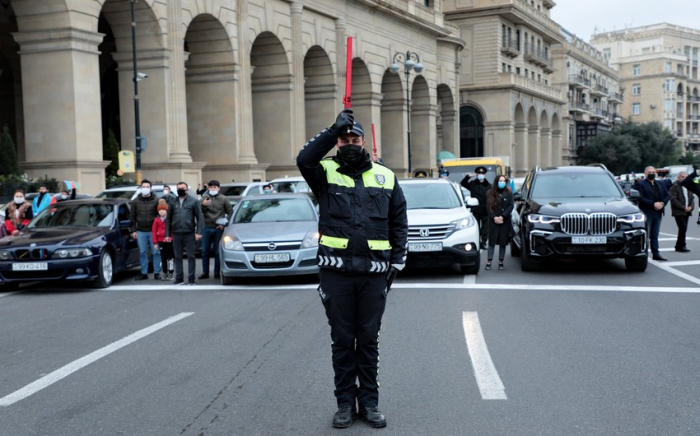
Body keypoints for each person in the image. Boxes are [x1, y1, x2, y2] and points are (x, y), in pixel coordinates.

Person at [297, 108, 408, 429]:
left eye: (353, 138)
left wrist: (398, 261)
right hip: (336, 273)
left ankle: (370, 404)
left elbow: (398, 221)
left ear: (364, 141)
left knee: (368, 340)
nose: (349, 143)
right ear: (337, 143)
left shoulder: (385, 176)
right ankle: (345, 403)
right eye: (344, 139)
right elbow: (304, 159)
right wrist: (332, 129)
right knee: (343, 341)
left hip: (374, 274)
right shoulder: (324, 172)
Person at [166, 182, 204, 285]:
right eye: (178, 188)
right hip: (176, 233)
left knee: (191, 256)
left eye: (182, 188)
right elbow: (168, 219)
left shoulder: (194, 201)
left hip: (189, 232)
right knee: (177, 256)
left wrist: (199, 232)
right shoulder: (173, 202)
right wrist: (167, 234)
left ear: (187, 189)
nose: (180, 190)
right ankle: (179, 278)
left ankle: (191, 279)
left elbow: (200, 217)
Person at [633, 166, 670, 261]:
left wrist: (662, 203)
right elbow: (640, 198)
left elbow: (667, 195)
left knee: (655, 234)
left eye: (653, 172)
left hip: (658, 212)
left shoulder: (660, 184)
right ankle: (643, 254)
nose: (652, 173)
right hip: (647, 212)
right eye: (650, 172)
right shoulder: (640, 184)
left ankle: (656, 254)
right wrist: (653, 204)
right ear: (645, 173)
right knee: (647, 234)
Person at [199, 179, 232, 280]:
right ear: (208, 188)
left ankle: (217, 272)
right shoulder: (204, 198)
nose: (213, 189)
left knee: (218, 252)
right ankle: (205, 272)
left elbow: (230, 212)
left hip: (219, 227)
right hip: (206, 226)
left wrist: (225, 224)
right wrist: (203, 205)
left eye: (215, 187)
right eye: (211, 187)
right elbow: (198, 212)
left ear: (218, 188)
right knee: (205, 251)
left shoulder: (224, 199)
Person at [130, 179, 161, 280]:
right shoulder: (135, 202)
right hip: (141, 230)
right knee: (142, 252)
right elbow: (132, 217)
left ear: (151, 189)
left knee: (155, 252)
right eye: (143, 187)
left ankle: (157, 272)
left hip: (153, 231)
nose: (145, 189)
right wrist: (133, 230)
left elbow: (160, 216)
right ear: (141, 188)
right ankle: (144, 273)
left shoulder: (157, 200)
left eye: (147, 187)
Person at [485, 175, 513, 270]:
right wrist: (494, 217)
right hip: (493, 221)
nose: (502, 182)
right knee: (492, 242)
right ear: (496, 182)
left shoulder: (508, 192)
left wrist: (503, 216)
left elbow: (511, 206)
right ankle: (489, 262)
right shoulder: (490, 193)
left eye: (503, 181)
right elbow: (489, 207)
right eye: (500, 180)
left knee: (503, 242)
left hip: (504, 221)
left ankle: (501, 262)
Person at [461, 166, 491, 248]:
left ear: (484, 175)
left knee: (485, 228)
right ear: (477, 174)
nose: (480, 175)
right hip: (475, 209)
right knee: (476, 226)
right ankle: (477, 241)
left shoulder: (489, 186)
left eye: (482, 173)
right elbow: (463, 183)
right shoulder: (473, 184)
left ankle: (484, 242)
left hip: (485, 209)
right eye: (479, 173)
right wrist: (468, 176)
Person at [669, 171, 694, 253]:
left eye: (686, 177)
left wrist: (691, 207)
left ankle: (679, 245)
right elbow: (673, 200)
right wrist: (684, 208)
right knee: (683, 227)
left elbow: (692, 198)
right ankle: (682, 245)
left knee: (683, 229)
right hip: (678, 211)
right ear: (679, 177)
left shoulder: (689, 186)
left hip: (687, 211)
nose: (684, 178)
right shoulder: (674, 186)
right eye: (682, 177)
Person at [152, 199, 174, 280]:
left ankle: (171, 272)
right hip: (161, 241)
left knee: (170, 257)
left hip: (169, 240)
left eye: (163, 209)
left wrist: (171, 237)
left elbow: (172, 230)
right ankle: (164, 272)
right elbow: (154, 231)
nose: (161, 211)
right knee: (163, 257)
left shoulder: (170, 219)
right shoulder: (156, 220)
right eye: (160, 210)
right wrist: (155, 242)